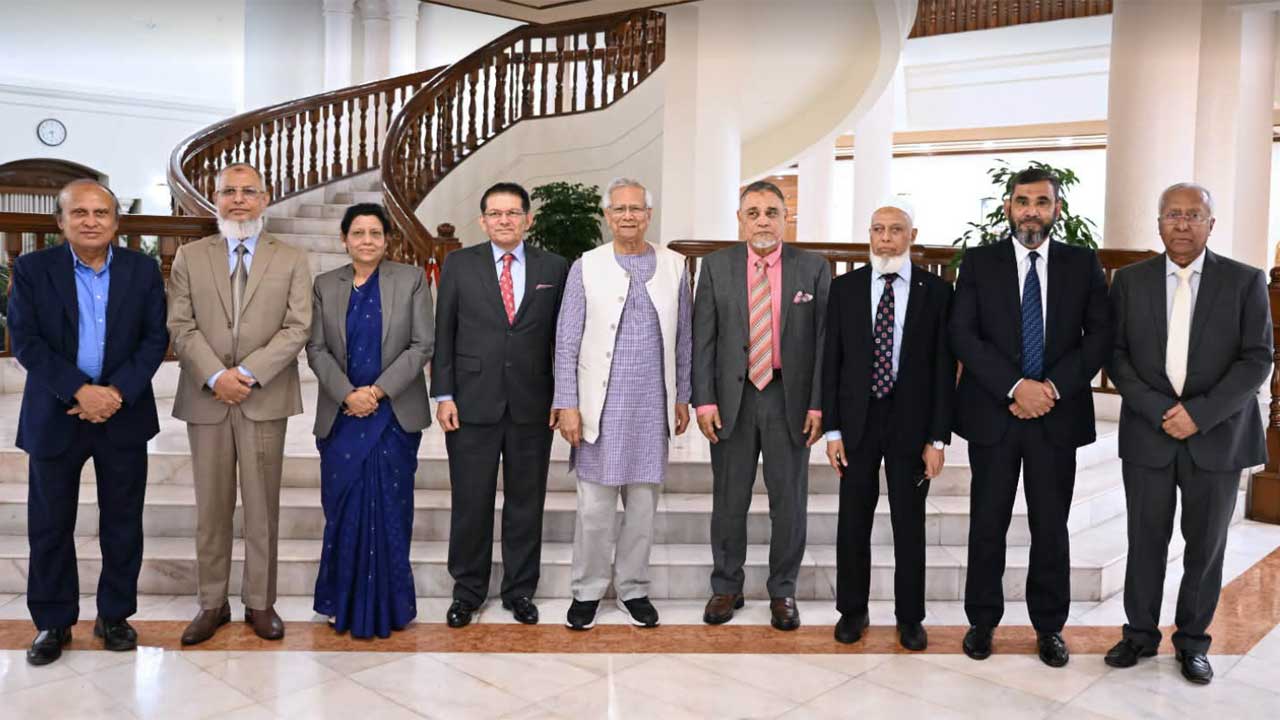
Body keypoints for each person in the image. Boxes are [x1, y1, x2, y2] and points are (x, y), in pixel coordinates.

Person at [1105, 183, 1272, 685]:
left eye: (1194, 215)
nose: (1182, 224)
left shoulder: (1245, 281)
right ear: (1159, 223)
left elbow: (1256, 358)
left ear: (1210, 224)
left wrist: (1199, 414)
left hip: (1218, 436)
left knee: (1206, 547)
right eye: (1173, 214)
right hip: (1149, 434)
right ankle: (1138, 634)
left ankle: (1193, 642)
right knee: (1145, 540)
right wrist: (1161, 410)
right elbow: (1116, 356)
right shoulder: (1129, 281)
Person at [949, 166, 1113, 667]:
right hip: (993, 415)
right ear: (1008, 208)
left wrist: (1050, 389)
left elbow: (1099, 337)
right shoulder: (979, 263)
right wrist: (1016, 387)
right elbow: (963, 334)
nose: (1032, 212)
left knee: (1051, 527)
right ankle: (981, 622)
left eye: (1042, 202)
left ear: (1057, 209)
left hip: (1056, 418)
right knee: (987, 523)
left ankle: (1049, 627)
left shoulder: (1082, 263)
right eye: (1023, 202)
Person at [8, 180, 168, 665]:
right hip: (56, 414)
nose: (91, 221)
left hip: (123, 414)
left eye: (101, 212)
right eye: (79, 212)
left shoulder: (142, 270)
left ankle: (114, 615)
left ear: (116, 222)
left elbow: (154, 339)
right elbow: (26, 340)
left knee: (123, 522)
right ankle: (53, 622)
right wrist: (80, 390)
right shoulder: (33, 269)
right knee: (50, 524)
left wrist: (114, 393)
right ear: (61, 222)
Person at [167, 163, 313, 644]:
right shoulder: (190, 256)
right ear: (215, 199)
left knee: (261, 508)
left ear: (264, 198)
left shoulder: (291, 257)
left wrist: (246, 374)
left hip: (263, 396)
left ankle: (260, 602)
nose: (238, 200)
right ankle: (212, 603)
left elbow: (297, 326)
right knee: (211, 509)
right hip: (206, 398)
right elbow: (181, 325)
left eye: (249, 191)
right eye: (228, 191)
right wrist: (216, 376)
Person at [553, 178, 692, 630]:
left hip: (652, 404)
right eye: (619, 209)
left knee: (643, 509)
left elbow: (685, 339)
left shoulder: (675, 266)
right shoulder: (586, 266)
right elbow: (566, 340)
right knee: (594, 509)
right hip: (601, 405)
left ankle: (633, 589)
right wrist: (567, 403)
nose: (628, 216)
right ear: (608, 216)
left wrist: (684, 395)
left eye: (636, 208)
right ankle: (587, 590)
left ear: (648, 215)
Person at [693, 180, 830, 631]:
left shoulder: (813, 268)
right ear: (740, 220)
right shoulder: (716, 267)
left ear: (786, 218)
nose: (763, 221)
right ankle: (726, 586)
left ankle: (782, 590)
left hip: (788, 398)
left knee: (788, 502)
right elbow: (703, 339)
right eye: (753, 213)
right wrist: (704, 400)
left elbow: (824, 343)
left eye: (772, 212)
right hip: (732, 399)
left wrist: (817, 405)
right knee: (728, 500)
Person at [432, 182, 569, 628]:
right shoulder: (459, 264)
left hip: (534, 403)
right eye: (495, 213)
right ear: (483, 221)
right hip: (471, 402)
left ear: (528, 219)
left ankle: (520, 590)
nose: (504, 220)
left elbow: (564, 339)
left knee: (526, 502)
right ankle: (467, 591)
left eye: (513, 213)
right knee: (471, 501)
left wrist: (564, 397)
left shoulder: (555, 267)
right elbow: (444, 331)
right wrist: (444, 395)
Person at [822, 203, 954, 650]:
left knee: (909, 524)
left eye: (895, 230)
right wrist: (833, 431)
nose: (885, 238)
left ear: (911, 236)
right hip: (857, 424)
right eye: (878, 229)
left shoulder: (937, 292)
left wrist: (938, 439)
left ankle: (910, 617)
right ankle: (852, 611)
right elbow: (832, 362)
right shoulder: (846, 289)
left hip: (911, 425)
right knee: (852, 522)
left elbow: (943, 371)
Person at [306, 203, 433, 638]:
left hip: (393, 415)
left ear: (387, 239)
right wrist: (348, 394)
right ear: (344, 239)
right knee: (342, 510)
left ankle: (391, 605)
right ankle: (340, 602)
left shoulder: (411, 280)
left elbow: (422, 345)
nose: (366, 240)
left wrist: (376, 393)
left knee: (392, 510)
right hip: (341, 416)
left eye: (375, 233)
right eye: (357, 233)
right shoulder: (325, 285)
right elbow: (316, 349)